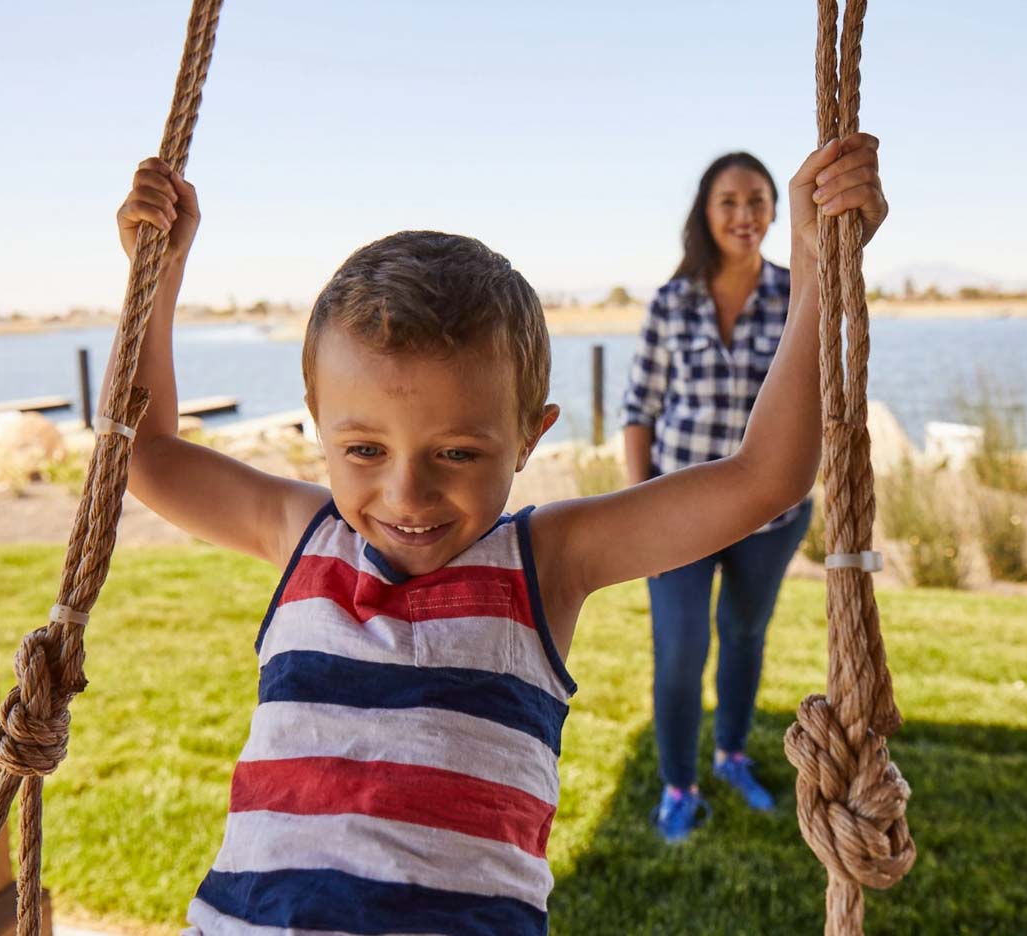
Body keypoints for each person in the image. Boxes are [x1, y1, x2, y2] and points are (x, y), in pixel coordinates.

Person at [112, 133, 885, 934]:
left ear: (529, 436)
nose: (406, 492)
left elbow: (763, 481)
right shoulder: (300, 533)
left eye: (457, 452)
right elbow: (148, 452)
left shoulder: (544, 563)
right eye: (364, 450)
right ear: (319, 428)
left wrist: (817, 268)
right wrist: (155, 275)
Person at [622, 150, 820, 842]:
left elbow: (820, 399)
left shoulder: (800, 295)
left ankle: (732, 755)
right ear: (706, 214)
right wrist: (636, 515)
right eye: (729, 201)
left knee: (743, 637)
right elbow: (640, 410)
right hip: (677, 512)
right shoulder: (671, 304)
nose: (745, 214)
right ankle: (680, 786)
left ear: (775, 210)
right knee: (679, 652)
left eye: (758, 200)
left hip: (771, 517)